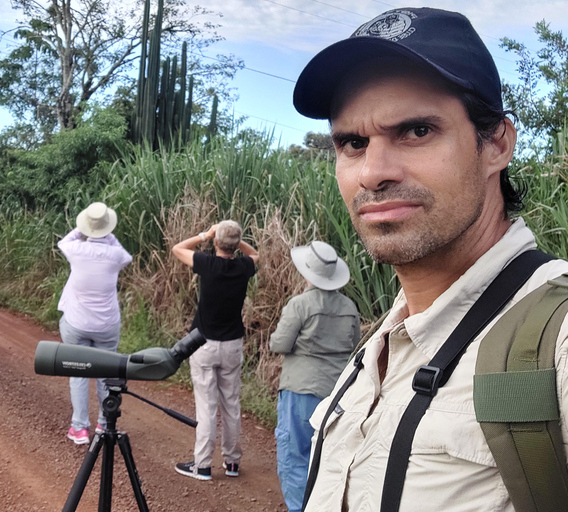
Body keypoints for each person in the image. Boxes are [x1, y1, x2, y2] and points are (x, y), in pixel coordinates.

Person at [292, 7, 568, 511]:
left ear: (497, 145)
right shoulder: (381, 345)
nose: (372, 172)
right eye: (353, 143)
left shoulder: (556, 340)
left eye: (416, 131)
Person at [269, 241, 360, 512]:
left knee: (295, 454)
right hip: (337, 393)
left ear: (308, 273)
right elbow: (355, 346)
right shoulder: (349, 307)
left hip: (301, 389)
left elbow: (280, 344)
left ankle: (298, 508)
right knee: (328, 457)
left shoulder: (300, 304)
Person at [171, 221, 259, 480]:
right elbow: (255, 254)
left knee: (207, 406)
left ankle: (203, 465)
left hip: (204, 344)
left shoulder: (207, 264)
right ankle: (232, 462)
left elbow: (177, 248)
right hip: (232, 344)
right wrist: (236, 239)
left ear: (217, 243)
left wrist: (205, 235)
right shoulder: (244, 267)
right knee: (231, 404)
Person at [57, 202, 132, 445]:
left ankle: (79, 428)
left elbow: (63, 242)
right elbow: (125, 254)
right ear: (108, 228)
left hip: (77, 322)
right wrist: (106, 234)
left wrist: (83, 230)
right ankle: (103, 423)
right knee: (105, 374)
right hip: (106, 325)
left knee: (78, 374)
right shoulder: (116, 254)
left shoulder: (76, 249)